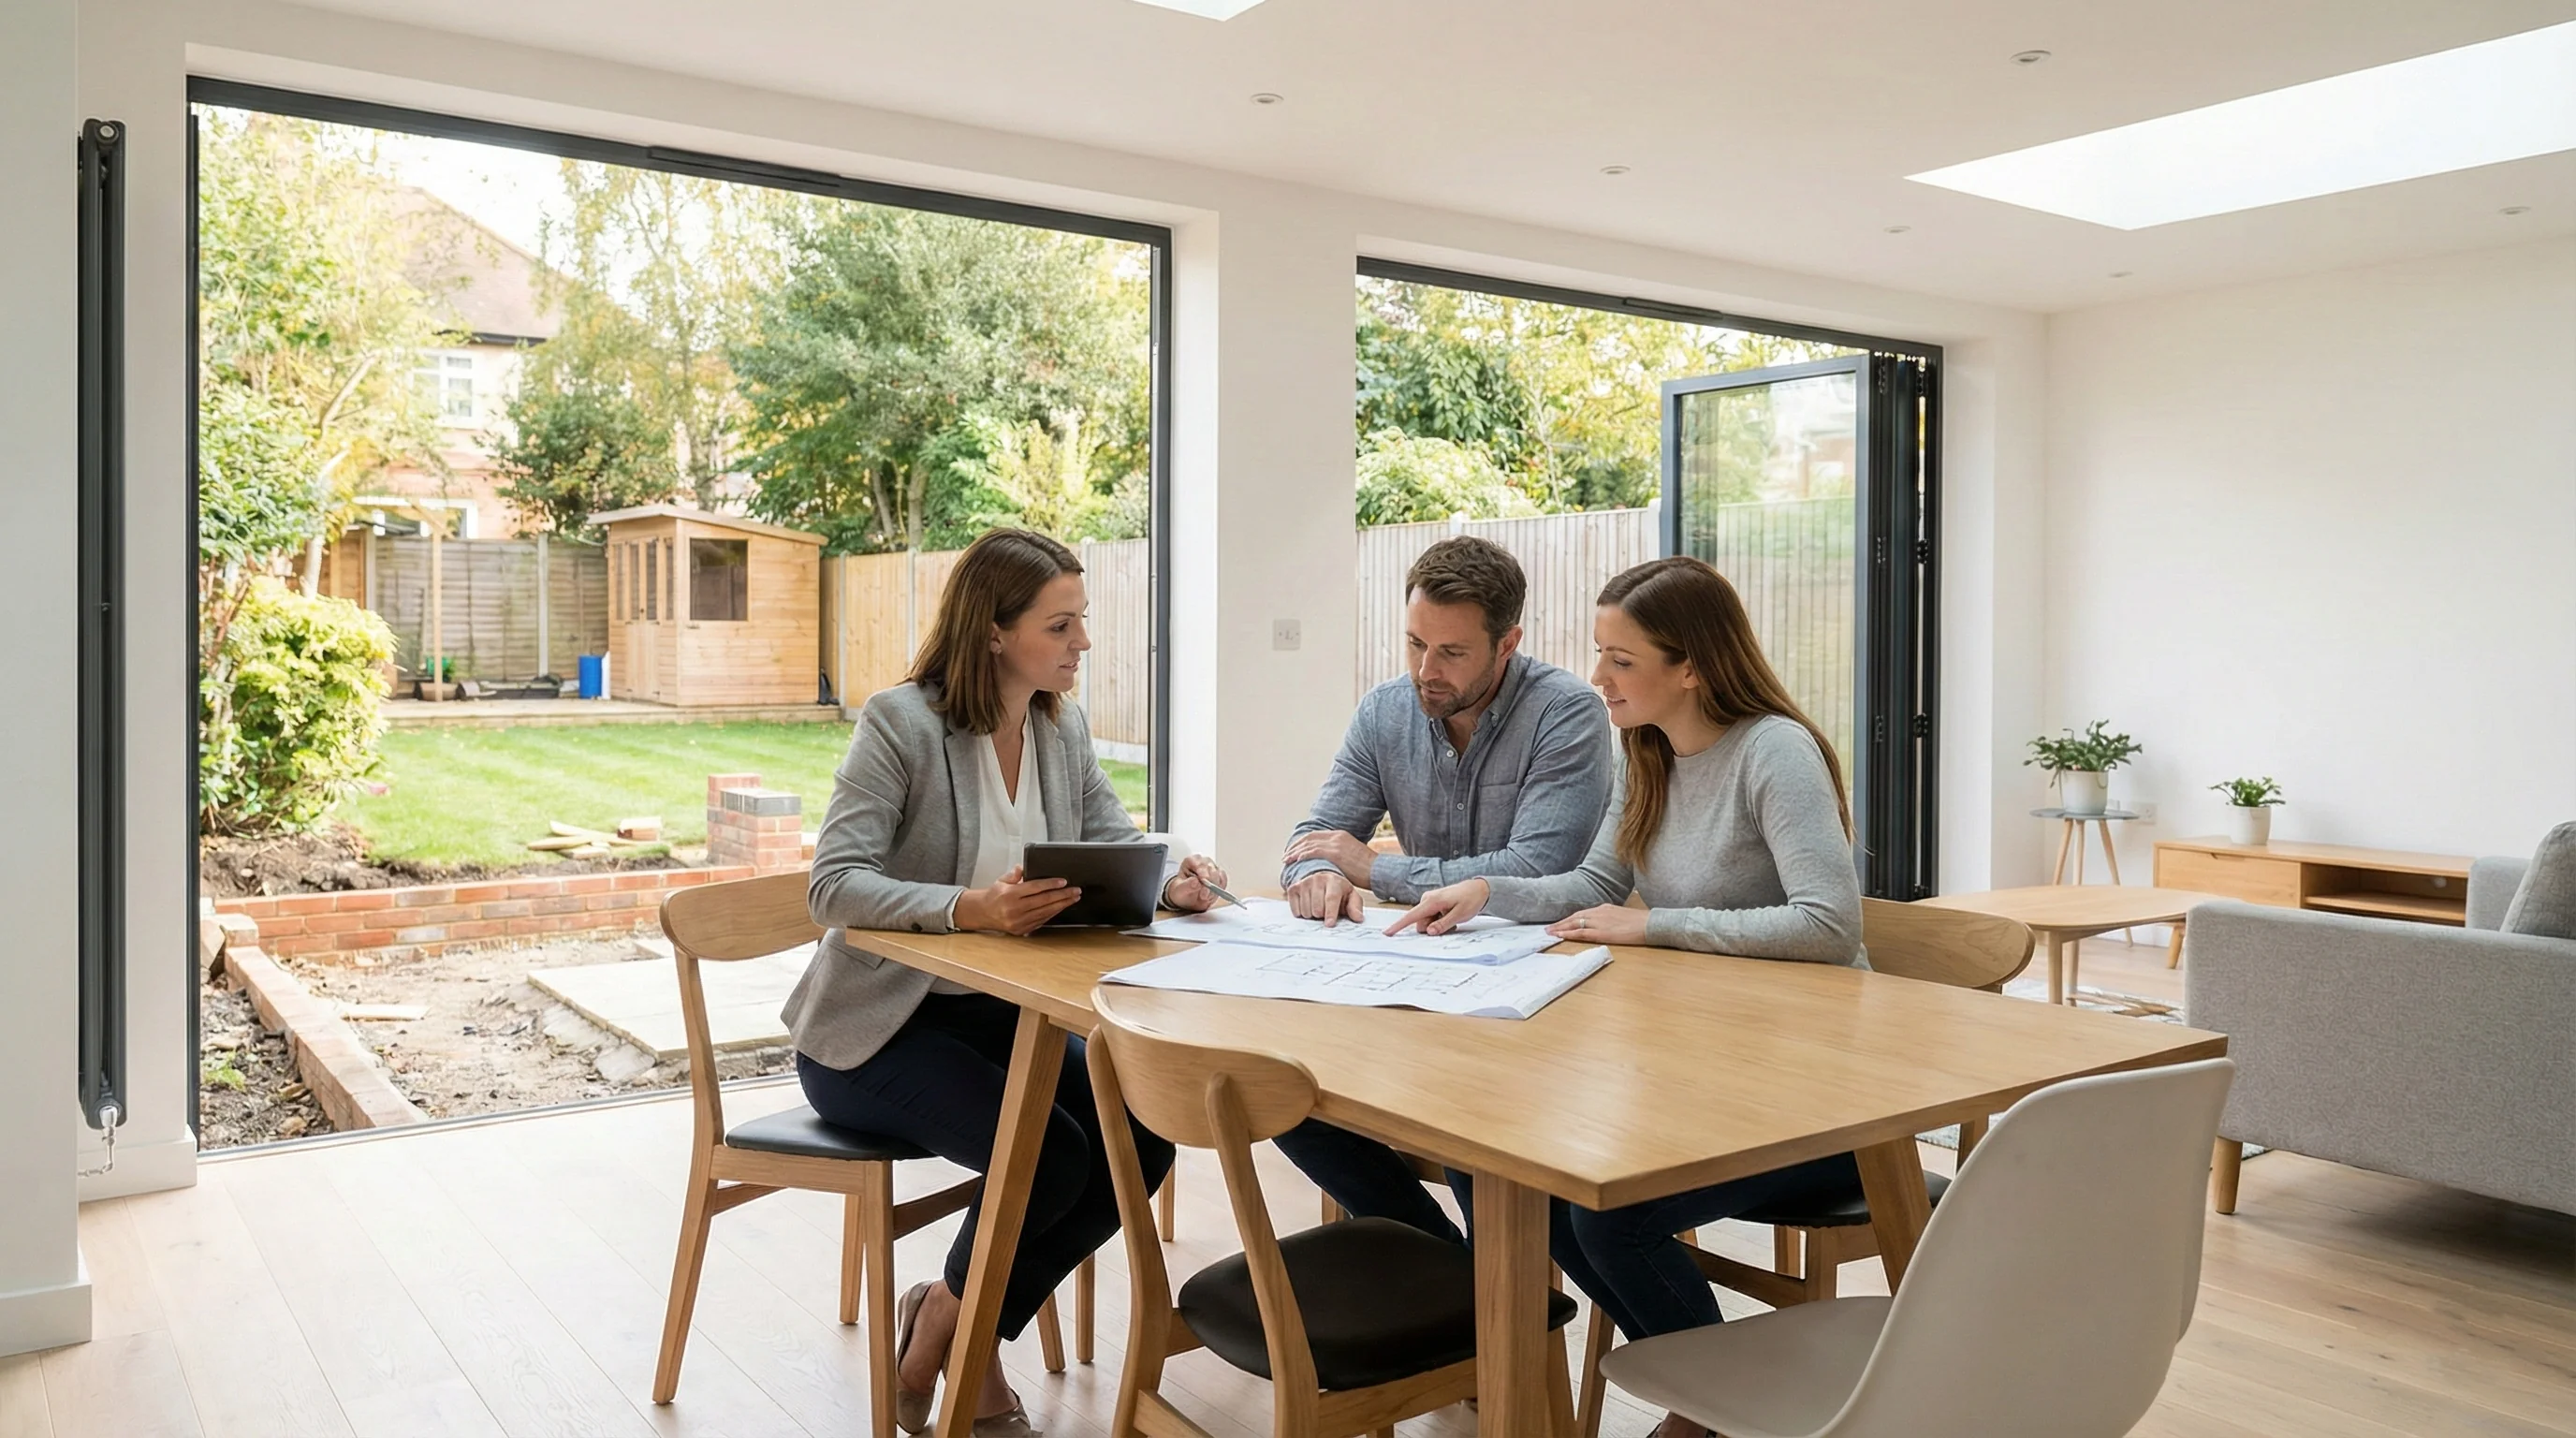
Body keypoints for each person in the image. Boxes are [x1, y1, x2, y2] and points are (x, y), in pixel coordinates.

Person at [1390, 554, 1863, 1438]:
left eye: (1621, 660)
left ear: (1691, 666)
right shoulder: (1645, 747)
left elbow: (1827, 926)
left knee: (1609, 1221)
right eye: (1600, 654)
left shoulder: (1774, 752)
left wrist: (1655, 925)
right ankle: (1714, 1399)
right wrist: (1487, 892)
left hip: (1823, 1096)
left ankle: (1717, 1411)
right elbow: (1594, 882)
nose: (1597, 677)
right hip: (1712, 1075)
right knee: (1526, 1175)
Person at [783, 528, 1227, 1437]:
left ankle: (939, 1319)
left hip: (1002, 1022)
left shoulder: (1059, 731)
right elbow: (832, 883)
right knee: (1052, 1156)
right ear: (994, 631)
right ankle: (973, 1360)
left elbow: (1113, 845)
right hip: (873, 1034)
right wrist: (968, 909)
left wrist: (1173, 882)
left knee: (1142, 1141)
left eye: (1081, 622)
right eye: (1060, 625)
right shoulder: (900, 722)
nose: (1083, 644)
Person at [1274, 536, 1614, 1250]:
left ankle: (1501, 1305)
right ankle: (1447, 1269)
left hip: (1542, 1002)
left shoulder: (1566, 712)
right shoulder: (1385, 711)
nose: (1426, 670)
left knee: (1473, 1146)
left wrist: (1376, 870)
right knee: (1286, 1093)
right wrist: (1320, 876)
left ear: (1508, 642)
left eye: (1452, 653)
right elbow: (1317, 835)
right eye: (1414, 643)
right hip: (1420, 982)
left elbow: (1540, 872)